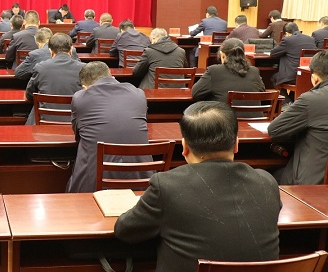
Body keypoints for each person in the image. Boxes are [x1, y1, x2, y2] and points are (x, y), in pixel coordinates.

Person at [114, 101, 280, 272]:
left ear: (184, 147)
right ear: (236, 144)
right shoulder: (267, 182)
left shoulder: (166, 186)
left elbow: (125, 230)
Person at [66, 61, 150, 192]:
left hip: (94, 185)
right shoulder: (139, 94)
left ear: (85, 87)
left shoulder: (80, 97)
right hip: (141, 181)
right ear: (111, 75)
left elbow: (78, 135)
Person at [268, 49, 328, 185]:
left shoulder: (311, 100)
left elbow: (274, 130)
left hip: (310, 184)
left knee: (266, 175)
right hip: (320, 179)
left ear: (315, 77)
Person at [25, 33, 84, 125]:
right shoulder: (83, 68)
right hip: (75, 122)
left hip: (44, 120)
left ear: (50, 51)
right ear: (71, 50)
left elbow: (29, 95)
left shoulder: (40, 67)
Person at [192, 38, 265, 103]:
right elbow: (262, 92)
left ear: (222, 55)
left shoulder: (214, 71)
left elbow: (196, 93)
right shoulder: (254, 71)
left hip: (225, 114)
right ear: (243, 54)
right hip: (255, 114)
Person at [270, 22, 316, 96]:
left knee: (274, 78)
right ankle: (292, 99)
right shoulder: (311, 39)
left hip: (292, 76)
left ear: (287, 33)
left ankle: (285, 100)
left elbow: (273, 53)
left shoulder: (288, 40)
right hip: (308, 75)